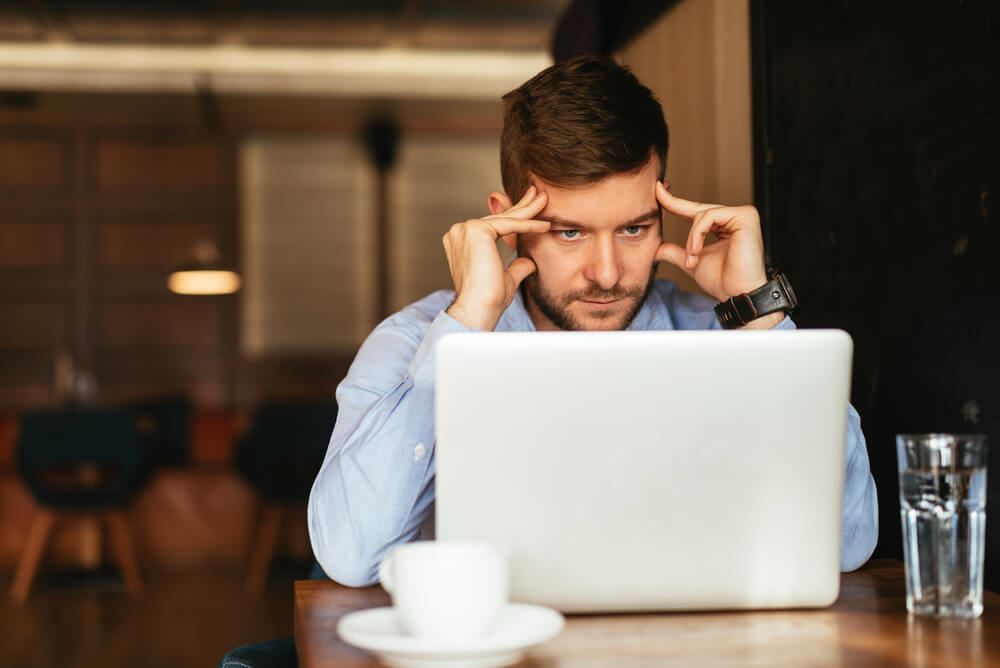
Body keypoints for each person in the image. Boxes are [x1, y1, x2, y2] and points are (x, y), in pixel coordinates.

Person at [307, 56, 879, 587]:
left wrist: (757, 311)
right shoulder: (413, 343)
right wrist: (467, 326)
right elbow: (351, 554)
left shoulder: (722, 338)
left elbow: (847, 543)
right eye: (570, 232)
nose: (606, 273)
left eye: (633, 228)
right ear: (507, 224)